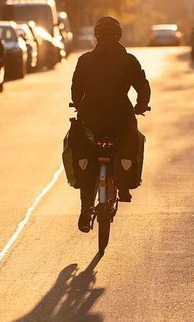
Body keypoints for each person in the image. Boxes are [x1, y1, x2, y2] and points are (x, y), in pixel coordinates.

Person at [71, 16, 151, 232]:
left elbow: (76, 89)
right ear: (119, 36)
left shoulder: (85, 60)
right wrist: (141, 106)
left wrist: (78, 105)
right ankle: (123, 185)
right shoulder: (129, 61)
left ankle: (86, 209)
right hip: (120, 117)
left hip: (91, 119)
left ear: (96, 36)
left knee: (85, 156)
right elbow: (142, 86)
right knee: (130, 138)